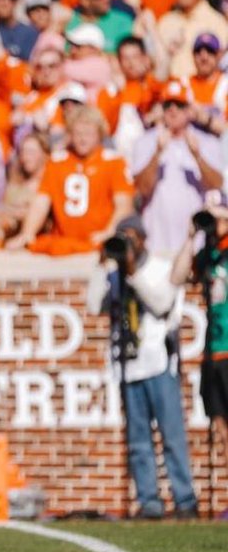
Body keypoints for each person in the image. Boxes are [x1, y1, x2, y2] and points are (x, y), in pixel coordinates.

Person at [92, 215, 197, 519]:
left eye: (130, 236)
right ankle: (149, 501)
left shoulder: (158, 268)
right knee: (138, 441)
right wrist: (100, 266)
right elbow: (92, 305)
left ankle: (185, 500)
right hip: (128, 366)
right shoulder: (113, 275)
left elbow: (161, 302)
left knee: (172, 436)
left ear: (142, 238)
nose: (126, 242)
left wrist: (132, 272)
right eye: (120, 237)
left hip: (159, 363)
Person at [6, 106, 134, 255]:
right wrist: (28, 232)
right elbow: (41, 202)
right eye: (78, 133)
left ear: (99, 135)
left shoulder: (114, 162)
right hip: (63, 243)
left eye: (88, 133)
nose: (82, 139)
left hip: (98, 243)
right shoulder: (57, 162)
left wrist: (109, 232)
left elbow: (124, 206)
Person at [171, 193, 228, 485]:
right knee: (219, 423)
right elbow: (178, 277)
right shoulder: (209, 255)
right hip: (213, 351)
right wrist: (191, 237)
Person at [131, 80, 223, 257]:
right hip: (156, 242)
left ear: (190, 110)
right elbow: (142, 188)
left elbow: (215, 185)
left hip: (196, 243)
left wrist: (197, 156)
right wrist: (157, 153)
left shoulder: (207, 142)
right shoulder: (145, 142)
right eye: (168, 105)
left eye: (179, 105)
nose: (173, 110)